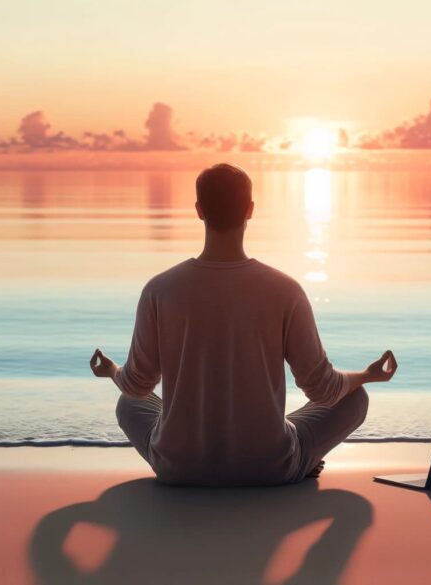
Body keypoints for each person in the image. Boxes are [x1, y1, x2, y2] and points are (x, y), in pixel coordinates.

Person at [90, 163, 398, 486]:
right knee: (355, 398)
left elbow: (137, 385)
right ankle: (296, 452)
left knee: (128, 404)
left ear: (198, 211)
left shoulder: (160, 290)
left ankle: (232, 444)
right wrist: (368, 375)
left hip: (179, 468)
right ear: (250, 210)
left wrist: (111, 369)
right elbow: (321, 388)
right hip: (269, 467)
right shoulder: (285, 290)